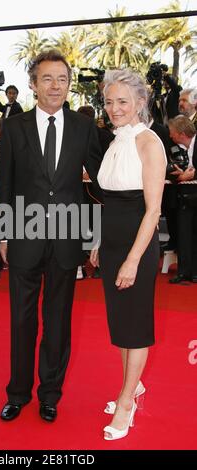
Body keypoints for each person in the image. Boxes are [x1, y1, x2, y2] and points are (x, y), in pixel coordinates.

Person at [0, 50, 102, 422]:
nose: (55, 86)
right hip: (24, 233)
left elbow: (101, 182)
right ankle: (17, 392)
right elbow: (5, 183)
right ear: (33, 83)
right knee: (21, 319)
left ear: (69, 84)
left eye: (61, 79)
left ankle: (50, 394)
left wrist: (104, 232)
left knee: (58, 320)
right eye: (47, 78)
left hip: (66, 235)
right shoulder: (14, 127)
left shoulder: (84, 127)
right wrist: (3, 235)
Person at [90, 69, 166, 440]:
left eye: (122, 101)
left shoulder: (149, 142)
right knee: (120, 324)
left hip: (137, 245)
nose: (115, 108)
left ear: (140, 102)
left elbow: (152, 211)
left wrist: (133, 259)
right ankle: (130, 386)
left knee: (134, 327)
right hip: (114, 241)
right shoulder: (116, 141)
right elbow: (110, 202)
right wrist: (100, 243)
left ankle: (126, 403)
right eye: (108, 101)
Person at [167, 115, 197, 284]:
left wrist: (192, 175)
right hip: (185, 197)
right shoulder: (178, 148)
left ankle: (194, 272)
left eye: (172, 132)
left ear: (181, 133)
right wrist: (181, 175)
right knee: (183, 235)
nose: (170, 135)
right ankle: (183, 271)